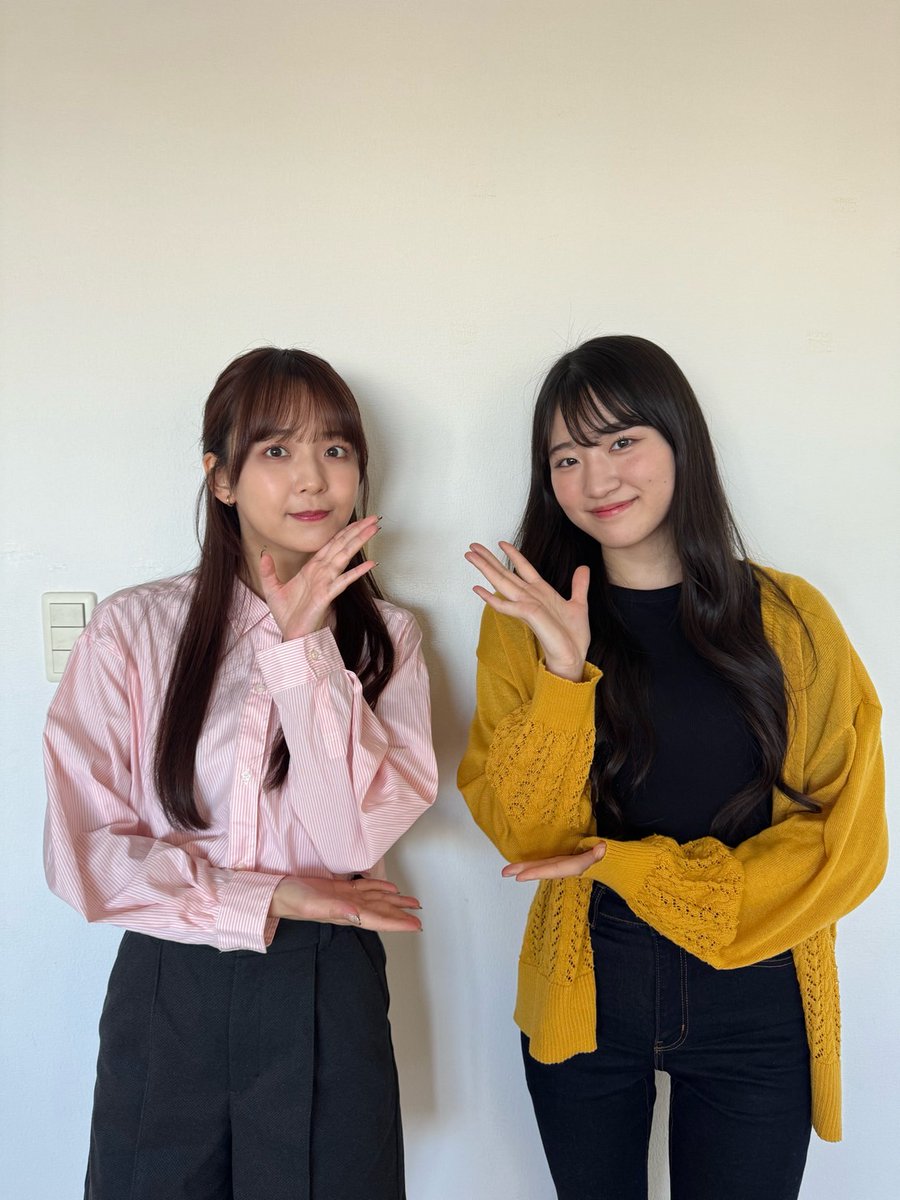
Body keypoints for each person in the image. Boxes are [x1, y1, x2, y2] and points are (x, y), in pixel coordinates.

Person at [458, 335, 886, 1200]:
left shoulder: (791, 617)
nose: (597, 478)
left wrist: (643, 871)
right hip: (587, 974)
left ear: (680, 440)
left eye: (622, 441)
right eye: (567, 458)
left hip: (758, 981)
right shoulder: (523, 623)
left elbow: (847, 841)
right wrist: (563, 673)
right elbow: (530, 838)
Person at [44, 347, 437, 1200]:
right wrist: (271, 896)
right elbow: (84, 852)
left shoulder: (389, 640)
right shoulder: (132, 630)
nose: (313, 478)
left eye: (335, 449)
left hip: (325, 982)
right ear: (220, 478)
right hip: (170, 984)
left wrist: (304, 653)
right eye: (277, 450)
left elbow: (347, 840)